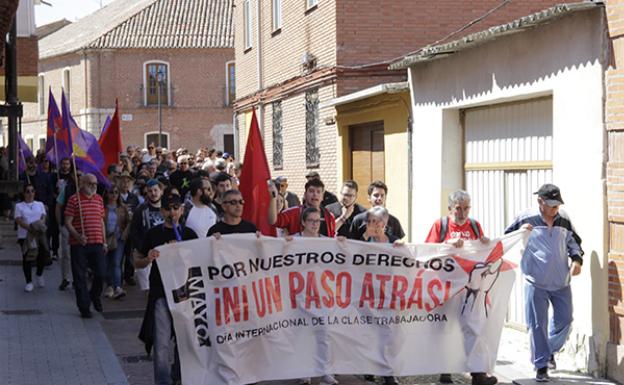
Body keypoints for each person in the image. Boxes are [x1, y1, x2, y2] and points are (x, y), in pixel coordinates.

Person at [505, 184, 583, 382]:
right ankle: (541, 366)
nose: (555, 209)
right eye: (551, 205)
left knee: (565, 320)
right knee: (537, 325)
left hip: (561, 282)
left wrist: (576, 260)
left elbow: (574, 243)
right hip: (535, 282)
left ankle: (548, 351)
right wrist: (521, 232)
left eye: (557, 204)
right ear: (540, 202)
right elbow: (507, 238)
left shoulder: (563, 219)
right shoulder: (525, 217)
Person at [425, 190, 496, 385]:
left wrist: (484, 243)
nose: (463, 213)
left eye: (466, 208)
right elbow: (428, 251)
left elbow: (481, 253)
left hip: (468, 288)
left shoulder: (474, 225)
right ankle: (445, 369)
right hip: (445, 287)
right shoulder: (441, 225)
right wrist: (447, 244)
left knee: (472, 328)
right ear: (450, 209)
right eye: (458, 209)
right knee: (443, 329)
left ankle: (478, 374)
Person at [136, 192, 198, 385]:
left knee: (183, 341)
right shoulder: (153, 234)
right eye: (168, 208)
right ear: (162, 211)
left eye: (176, 208)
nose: (172, 212)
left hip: (184, 294)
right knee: (161, 343)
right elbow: (137, 261)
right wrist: (149, 258)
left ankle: (179, 377)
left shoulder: (189, 235)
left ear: (181, 210)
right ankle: (162, 381)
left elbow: (199, 262)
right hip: (161, 293)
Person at [286, 207, 338, 385]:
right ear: (303, 222)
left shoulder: (326, 242)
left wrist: (343, 243)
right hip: (299, 294)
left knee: (323, 333)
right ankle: (304, 372)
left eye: (318, 221)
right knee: (302, 334)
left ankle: (325, 372)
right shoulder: (293, 240)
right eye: (311, 221)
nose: (315, 224)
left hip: (321, 295)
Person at [360, 206, 402, 385]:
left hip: (388, 295)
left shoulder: (393, 242)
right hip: (368, 295)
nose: (372, 225)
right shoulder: (362, 242)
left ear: (384, 224)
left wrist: (402, 248)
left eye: (376, 222)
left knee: (388, 334)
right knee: (370, 333)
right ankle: (369, 368)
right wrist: (363, 238)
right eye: (369, 222)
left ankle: (387, 372)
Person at [64, 173, 107, 318]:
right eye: (90, 183)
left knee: (101, 273)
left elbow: (101, 221)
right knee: (79, 276)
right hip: (79, 244)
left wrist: (104, 241)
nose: (93, 186)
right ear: (82, 183)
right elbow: (68, 222)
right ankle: (84, 306)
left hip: (97, 242)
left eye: (95, 184)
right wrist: (77, 235)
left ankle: (94, 295)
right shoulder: (73, 199)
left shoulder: (99, 199)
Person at [268, 178, 336, 237]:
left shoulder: (329, 217)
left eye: (318, 192)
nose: (315, 194)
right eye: (311, 191)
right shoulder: (292, 213)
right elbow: (273, 221)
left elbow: (332, 239)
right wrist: (273, 197)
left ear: (322, 197)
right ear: (305, 195)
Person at [129, 179, 165, 290]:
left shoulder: (168, 208)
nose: (153, 193)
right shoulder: (141, 210)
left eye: (155, 190)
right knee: (147, 289)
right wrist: (142, 249)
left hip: (164, 255)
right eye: (150, 191)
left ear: (161, 191)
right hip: (146, 256)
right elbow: (134, 232)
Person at [15, 184, 48, 292]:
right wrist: (30, 228)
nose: (30, 193)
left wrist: (39, 226)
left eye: (32, 191)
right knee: (27, 257)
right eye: (28, 191)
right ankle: (28, 281)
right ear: (24, 193)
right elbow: (19, 220)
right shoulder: (19, 206)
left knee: (42, 254)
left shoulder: (40, 204)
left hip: (39, 234)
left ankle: (39, 274)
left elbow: (43, 216)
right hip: (25, 235)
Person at [103, 187, 130, 299]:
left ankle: (118, 286)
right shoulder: (103, 208)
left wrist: (124, 234)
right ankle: (110, 286)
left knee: (116, 262)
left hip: (119, 239)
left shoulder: (123, 208)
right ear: (107, 194)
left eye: (116, 192)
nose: (114, 195)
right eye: (111, 192)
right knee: (106, 263)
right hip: (105, 239)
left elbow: (129, 222)